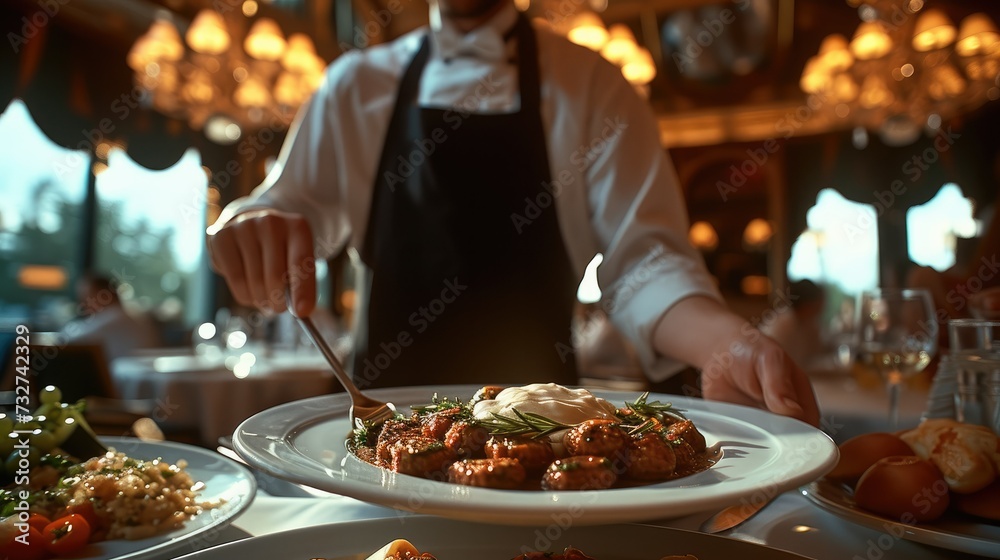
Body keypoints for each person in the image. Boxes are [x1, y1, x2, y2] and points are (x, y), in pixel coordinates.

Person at [206, 0, 819, 425]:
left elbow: (644, 263)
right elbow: (285, 211)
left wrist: (724, 344)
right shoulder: (353, 85)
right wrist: (247, 226)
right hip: (381, 444)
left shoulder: (595, 85)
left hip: (549, 446)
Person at [59, 273, 161, 363]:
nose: (83, 304)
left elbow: (71, 340)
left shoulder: (115, 318)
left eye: (88, 297)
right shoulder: (130, 315)